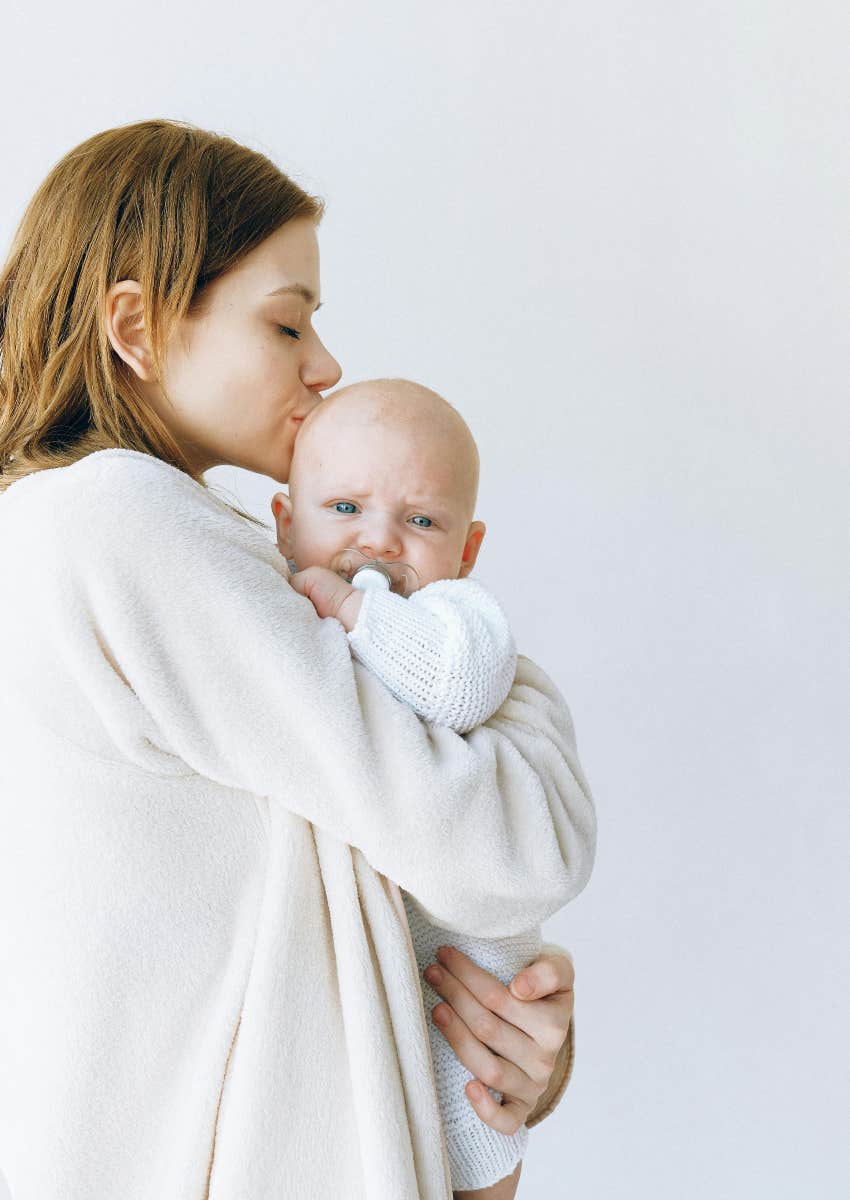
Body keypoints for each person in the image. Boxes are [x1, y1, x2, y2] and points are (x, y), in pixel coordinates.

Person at [0, 119, 597, 1200]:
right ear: (134, 325)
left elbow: (384, 865)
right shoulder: (120, 524)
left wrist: (501, 1045)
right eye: (286, 324)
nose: (325, 365)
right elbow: (516, 851)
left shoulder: (113, 543)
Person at [269, 375, 593, 1193]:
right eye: (343, 508)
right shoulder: (259, 609)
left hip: (468, 991)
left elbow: (455, 687)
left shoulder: (460, 624)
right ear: (283, 522)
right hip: (349, 1045)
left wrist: (354, 610)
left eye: (420, 521)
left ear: (467, 552)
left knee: (473, 1138)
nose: (378, 543)